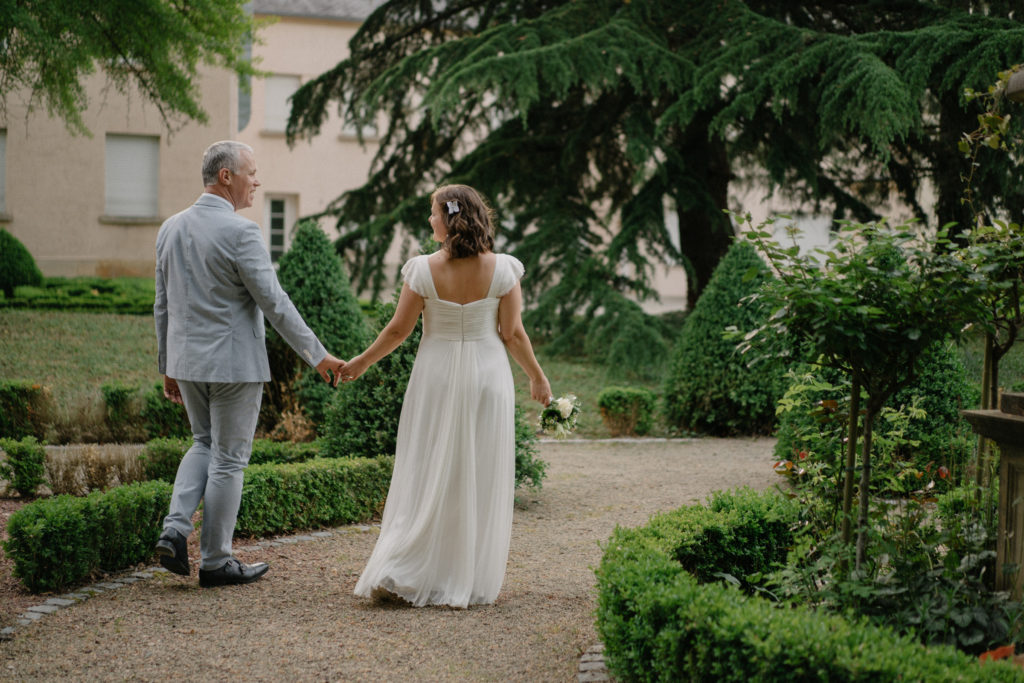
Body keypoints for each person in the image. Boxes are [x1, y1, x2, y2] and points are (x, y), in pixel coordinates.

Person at [345, 184, 552, 608]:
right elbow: (512, 334)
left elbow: (398, 331)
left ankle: (410, 564)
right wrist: (537, 377)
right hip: (487, 377)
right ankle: (463, 574)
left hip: (435, 376)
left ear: (451, 219)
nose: (430, 219)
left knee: (427, 467)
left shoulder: (422, 270)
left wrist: (362, 362)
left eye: (434, 213)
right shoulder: (503, 268)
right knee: (477, 471)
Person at [153, 140, 345, 588]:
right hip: (234, 366)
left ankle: (174, 529)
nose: (256, 181)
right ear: (226, 177)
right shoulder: (242, 233)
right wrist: (318, 356)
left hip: (186, 363)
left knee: (203, 443)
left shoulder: (170, 228)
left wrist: (167, 364)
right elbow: (274, 303)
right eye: (251, 173)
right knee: (228, 459)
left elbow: (162, 304)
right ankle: (216, 561)